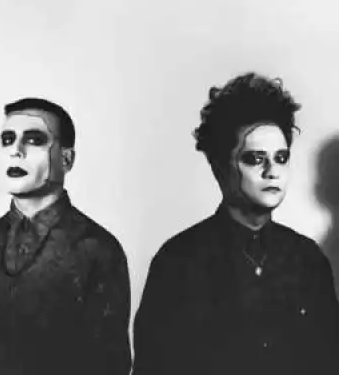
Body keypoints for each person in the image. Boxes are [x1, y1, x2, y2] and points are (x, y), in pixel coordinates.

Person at [132, 73, 339, 375]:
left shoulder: (308, 260)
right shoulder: (177, 262)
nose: (272, 171)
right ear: (219, 166)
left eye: (281, 157)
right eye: (255, 158)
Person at [0, 98, 131, 375]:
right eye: (7, 140)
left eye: (34, 140)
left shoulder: (98, 249)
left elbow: (110, 364)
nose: (15, 151)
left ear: (66, 159)